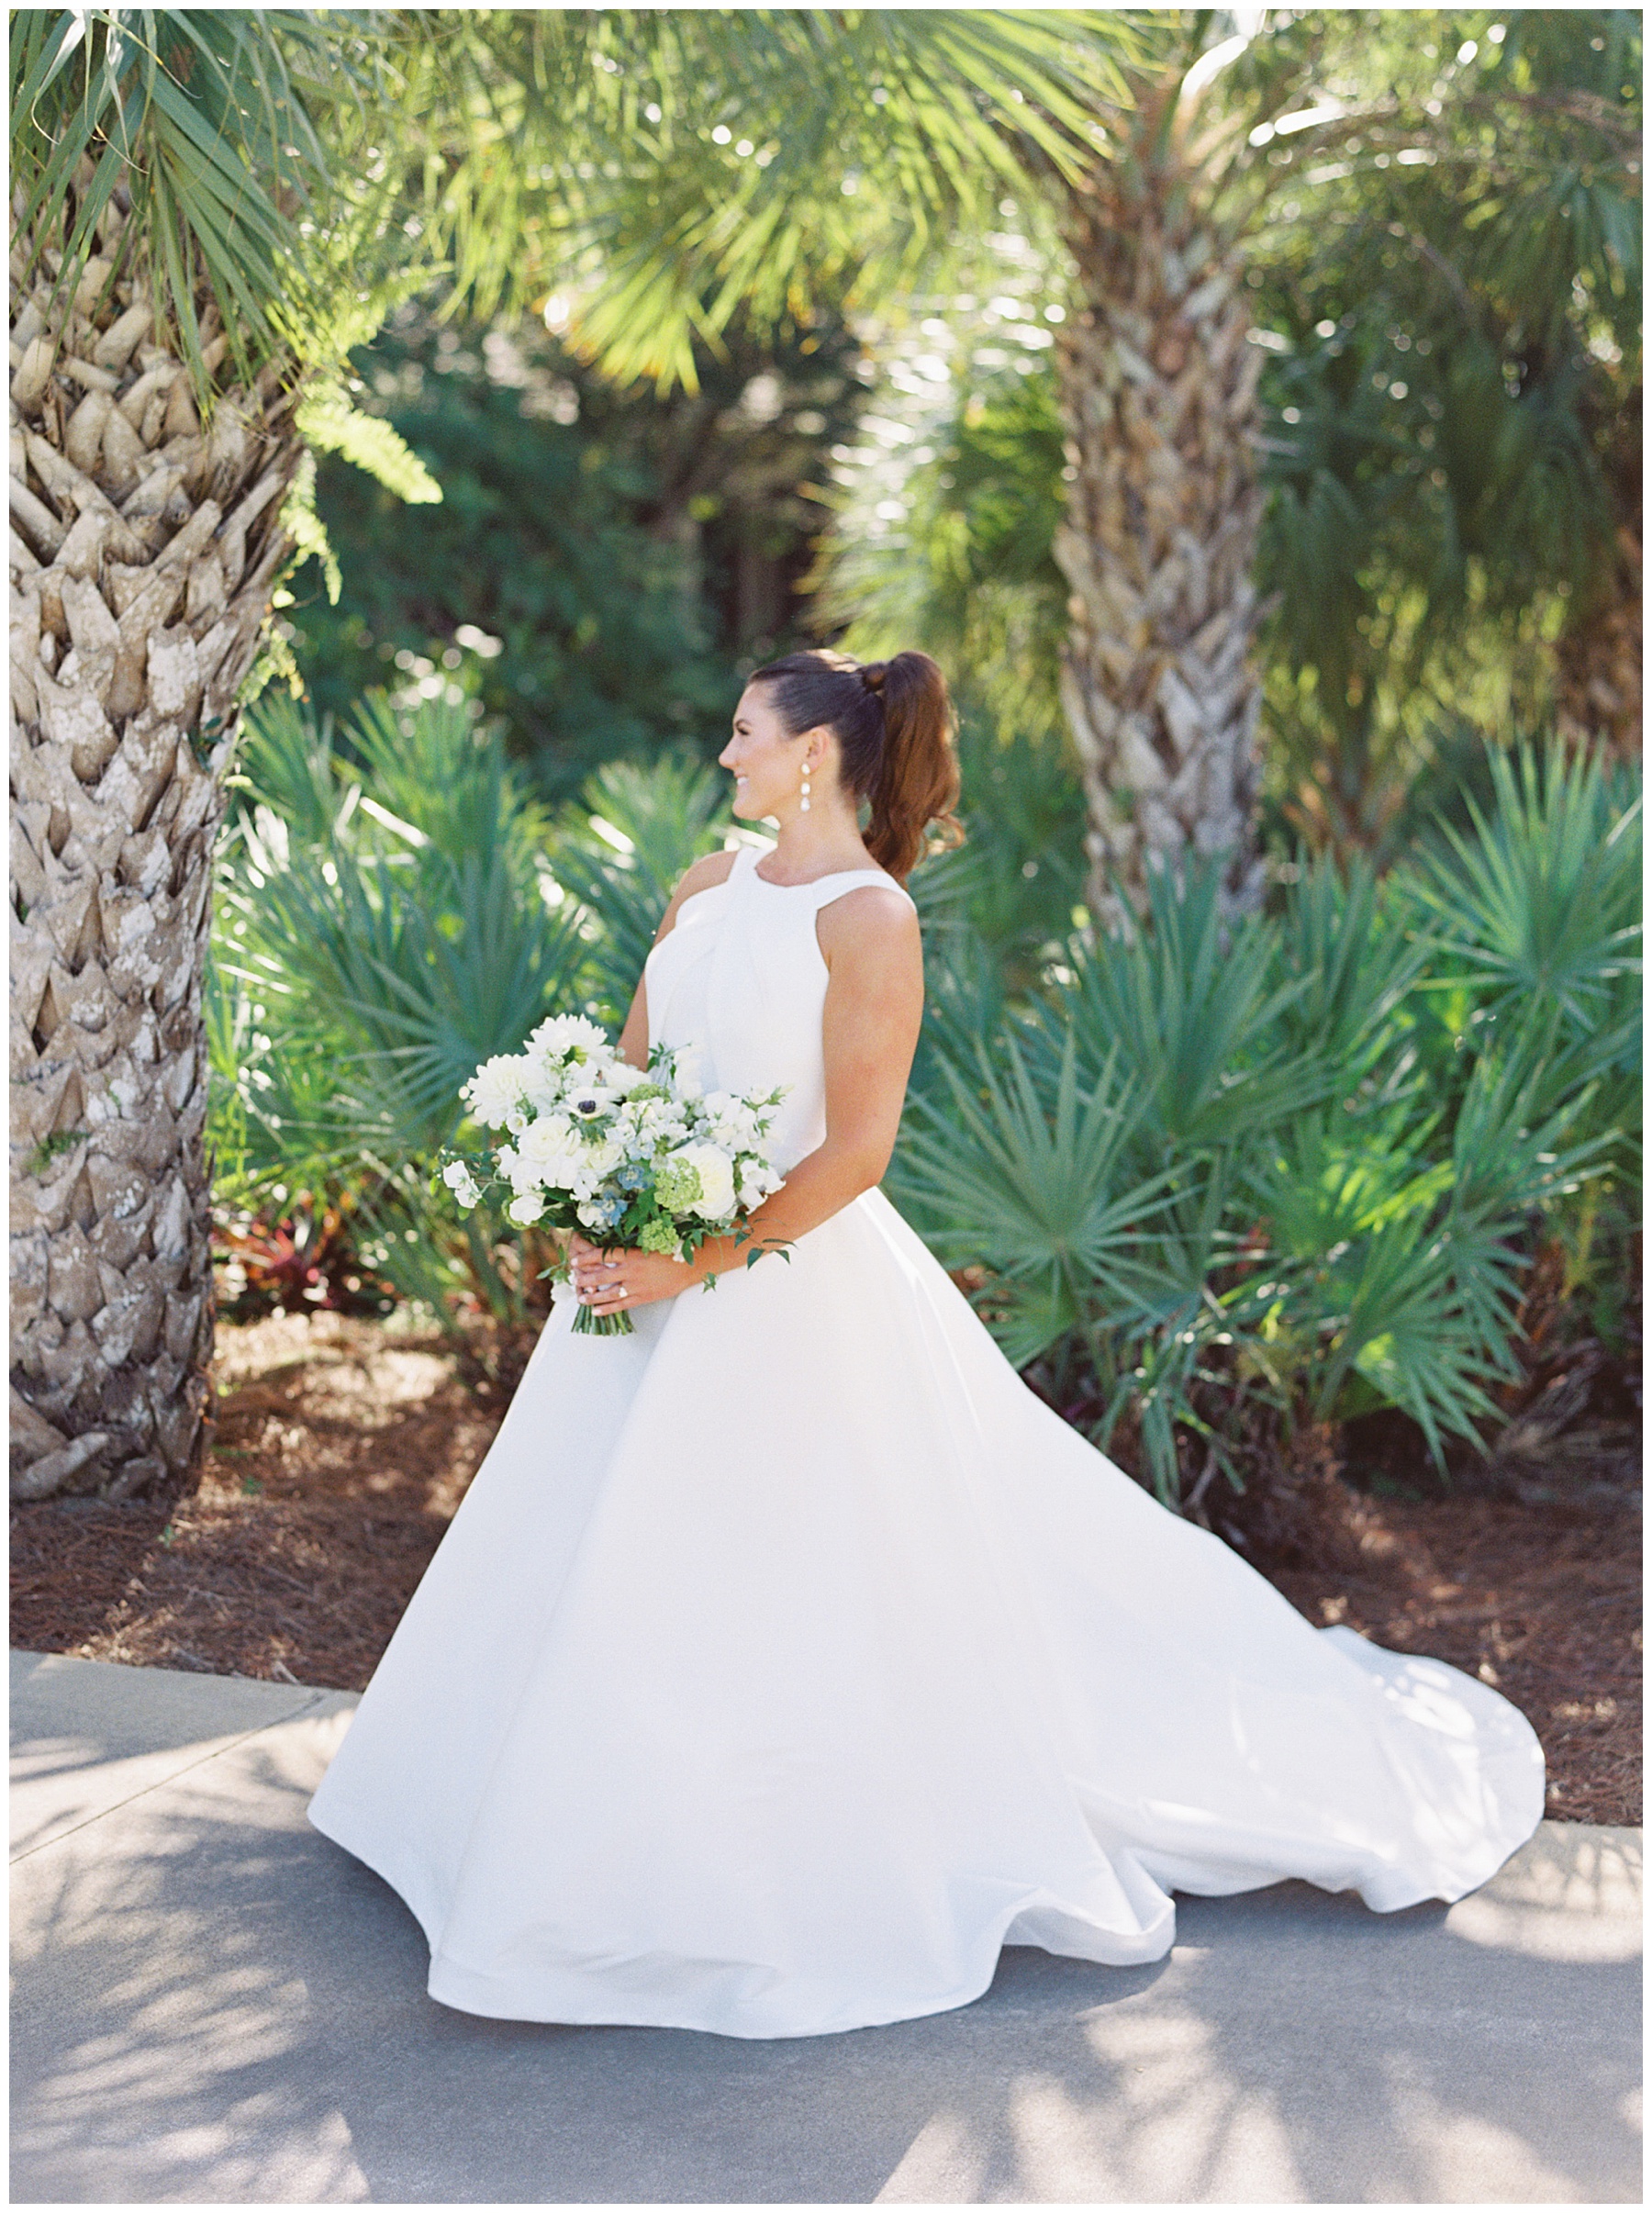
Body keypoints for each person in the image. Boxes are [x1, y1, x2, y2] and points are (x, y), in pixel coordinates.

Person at [306, 647, 1546, 2040]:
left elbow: (855, 1152)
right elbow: (632, 1070)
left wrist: (690, 1256)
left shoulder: (870, 918)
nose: (726, 759)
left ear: (815, 756)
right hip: (638, 1280)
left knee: (795, 1572)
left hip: (781, 1291)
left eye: (744, 735)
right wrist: (592, 1196)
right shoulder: (705, 888)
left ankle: (741, 1872)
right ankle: (531, 1833)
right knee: (594, 1547)